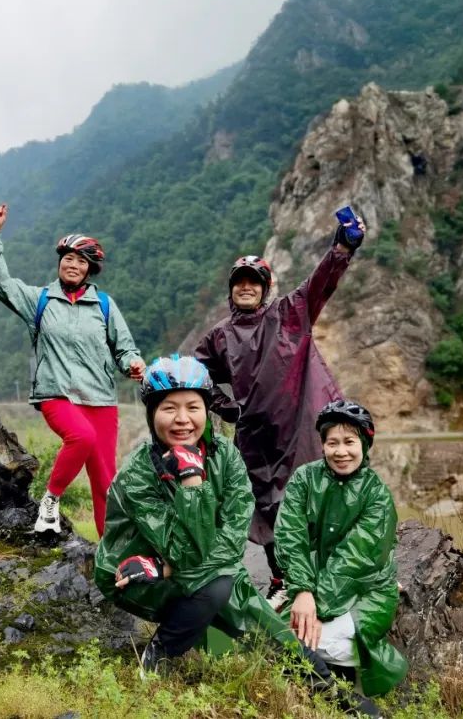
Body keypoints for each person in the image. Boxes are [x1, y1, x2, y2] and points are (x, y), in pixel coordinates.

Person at [93, 356, 380, 717]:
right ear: (152, 413)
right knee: (216, 586)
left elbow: (232, 538)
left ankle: (343, 702)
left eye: (193, 407)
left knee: (270, 631)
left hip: (170, 568)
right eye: (169, 408)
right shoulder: (138, 474)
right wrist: (191, 482)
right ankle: (160, 653)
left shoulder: (225, 456)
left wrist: (164, 567)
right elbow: (185, 547)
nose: (183, 419)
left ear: (206, 410)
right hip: (132, 575)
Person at [193, 212, 366, 606]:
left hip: (299, 427)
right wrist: (224, 407)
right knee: (266, 511)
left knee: (312, 500)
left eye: (255, 282)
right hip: (255, 437)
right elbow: (195, 373)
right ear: (231, 290)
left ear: (266, 288)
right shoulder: (219, 335)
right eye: (240, 282)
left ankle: (326, 576)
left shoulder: (289, 315)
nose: (247, 287)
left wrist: (342, 248)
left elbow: (320, 283)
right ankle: (279, 579)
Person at [0, 204, 144, 537]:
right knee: (80, 437)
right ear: (59, 263)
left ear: (90, 269)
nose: (73, 264)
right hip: (56, 394)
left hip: (100, 399)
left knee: (104, 483)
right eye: (68, 258)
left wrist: (133, 363)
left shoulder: (104, 305)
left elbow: (124, 348)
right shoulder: (39, 300)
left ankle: (109, 556)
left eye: (81, 260)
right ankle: (50, 500)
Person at [274, 399, 408, 698]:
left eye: (349, 441)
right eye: (332, 442)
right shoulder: (304, 479)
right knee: (279, 637)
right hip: (315, 583)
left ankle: (356, 686)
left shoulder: (377, 495)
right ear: (322, 445)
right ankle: (327, 688)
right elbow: (290, 537)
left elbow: (354, 561)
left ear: (364, 443)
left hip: (367, 590)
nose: (341, 451)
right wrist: (302, 590)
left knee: (305, 640)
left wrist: (314, 606)